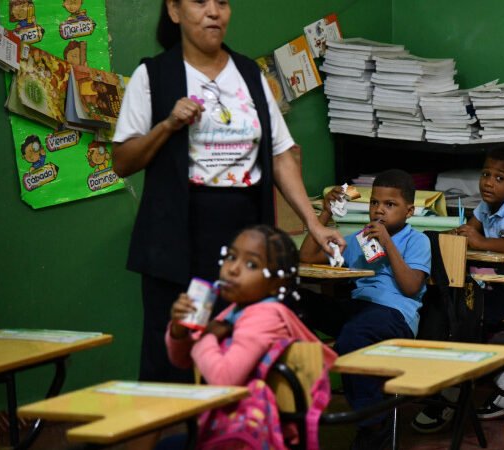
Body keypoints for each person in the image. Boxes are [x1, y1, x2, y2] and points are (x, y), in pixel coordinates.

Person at [112, 0, 345, 383]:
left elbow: (282, 153)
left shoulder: (250, 75)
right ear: (173, 10)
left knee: (243, 348)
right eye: (199, 2)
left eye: (222, 2)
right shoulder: (153, 75)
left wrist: (313, 224)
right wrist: (168, 124)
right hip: (179, 238)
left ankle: (242, 434)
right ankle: (175, 439)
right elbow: (122, 160)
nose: (213, 11)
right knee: (176, 353)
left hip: (245, 239)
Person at [412, 144, 504, 433]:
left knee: (467, 318)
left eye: (499, 178)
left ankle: (466, 392)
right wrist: (455, 236)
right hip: (502, 288)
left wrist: (480, 242)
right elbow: (469, 234)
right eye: (485, 174)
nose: (489, 182)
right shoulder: (484, 206)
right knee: (448, 309)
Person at [165, 224, 337, 448]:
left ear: (277, 285)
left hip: (259, 435)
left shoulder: (265, 316)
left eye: (251, 264)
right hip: (236, 425)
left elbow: (223, 380)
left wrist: (207, 336)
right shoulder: (237, 309)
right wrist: (179, 330)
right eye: (231, 257)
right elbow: (182, 360)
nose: (233, 269)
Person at [299, 169, 431, 450]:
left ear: (409, 211)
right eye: (375, 203)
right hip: (360, 308)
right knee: (293, 299)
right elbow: (308, 256)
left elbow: (410, 287)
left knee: (353, 336)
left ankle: (373, 424)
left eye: (390, 205)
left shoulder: (418, 240)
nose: (379, 210)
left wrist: (388, 244)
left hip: (395, 315)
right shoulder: (360, 238)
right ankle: (295, 398)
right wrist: (324, 215)